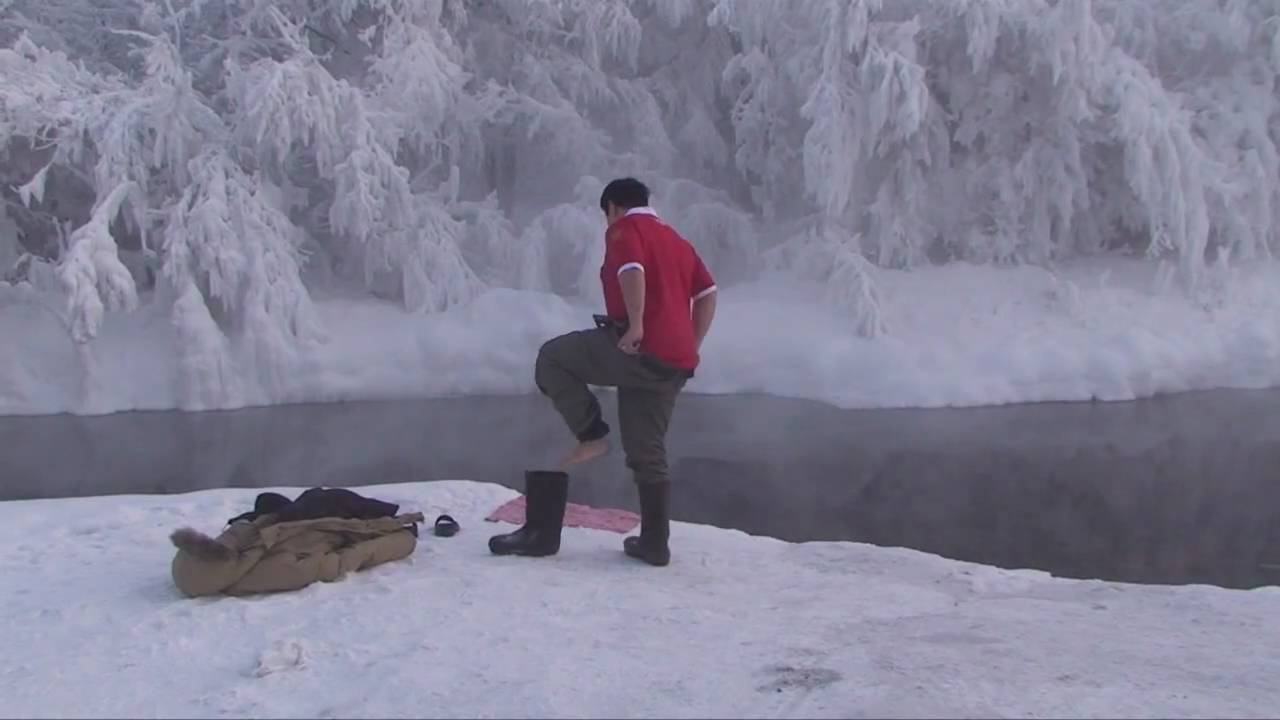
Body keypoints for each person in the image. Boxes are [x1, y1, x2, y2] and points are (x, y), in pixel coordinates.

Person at [488, 178, 718, 566]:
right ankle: (654, 544)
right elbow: (708, 293)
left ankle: (591, 434)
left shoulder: (625, 229)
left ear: (612, 207)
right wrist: (692, 344)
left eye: (606, 215)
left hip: (637, 347)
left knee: (553, 359)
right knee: (648, 450)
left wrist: (637, 324)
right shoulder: (677, 240)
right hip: (673, 362)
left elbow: (631, 269)